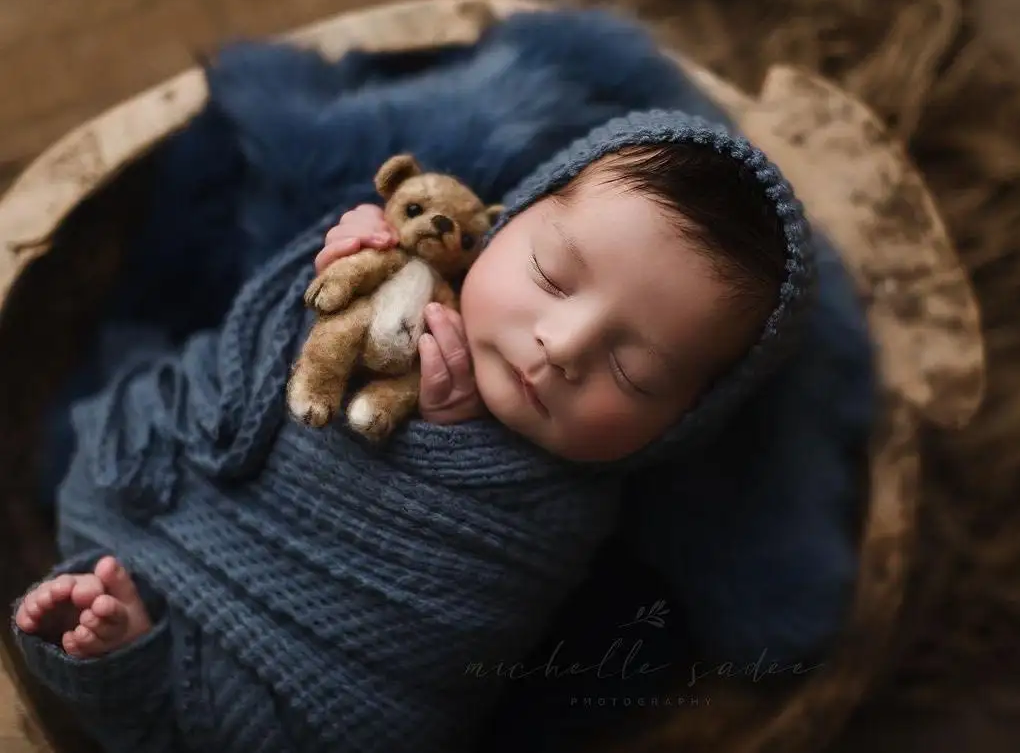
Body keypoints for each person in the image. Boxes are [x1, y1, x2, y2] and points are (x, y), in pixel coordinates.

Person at [11, 110, 813, 753]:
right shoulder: (418, 266)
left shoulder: (560, 509)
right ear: (504, 221)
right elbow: (271, 352)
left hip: (316, 695)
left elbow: (449, 617)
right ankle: (128, 621)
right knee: (110, 471)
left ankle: (132, 645)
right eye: (550, 277)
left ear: (683, 422)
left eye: (637, 374)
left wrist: (450, 435)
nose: (562, 347)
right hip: (161, 498)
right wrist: (324, 265)